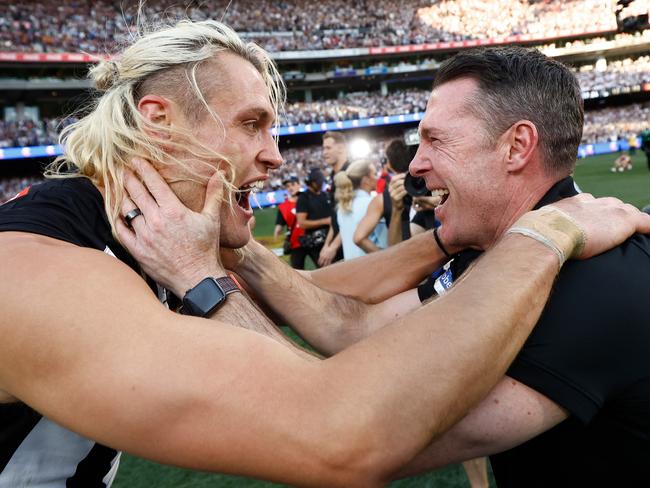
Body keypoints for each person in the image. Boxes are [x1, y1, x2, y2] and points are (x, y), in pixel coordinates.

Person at [0, 20, 648, 488]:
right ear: (158, 122)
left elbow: (340, 315)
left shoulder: (150, 237)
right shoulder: (32, 266)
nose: (276, 156)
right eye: (254, 123)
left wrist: (240, 257)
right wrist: (544, 234)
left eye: (434, 140)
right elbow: (331, 422)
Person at [385, 46, 650, 487]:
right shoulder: (493, 248)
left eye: (436, 140)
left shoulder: (596, 283)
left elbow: (370, 443)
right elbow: (362, 327)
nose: (414, 165)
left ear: (516, 146)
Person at [354, 138, 410, 253]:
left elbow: (359, 238)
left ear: (389, 164)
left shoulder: (381, 199)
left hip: (403, 259)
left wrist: (384, 256)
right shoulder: (432, 186)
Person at [333, 159, 383, 259]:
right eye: (374, 174)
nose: (377, 177)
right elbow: (385, 242)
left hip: (351, 268)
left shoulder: (342, 207)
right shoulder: (373, 203)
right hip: (373, 267)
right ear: (366, 180)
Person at [319, 131, 349, 266]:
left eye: (328, 148)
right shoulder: (332, 176)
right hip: (339, 244)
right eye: (323, 148)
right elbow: (335, 217)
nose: (324, 152)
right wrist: (327, 244)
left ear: (341, 148)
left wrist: (333, 246)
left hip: (350, 244)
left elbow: (352, 217)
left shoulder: (350, 172)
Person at [294, 167, 330, 269]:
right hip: (316, 242)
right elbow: (302, 223)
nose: (322, 184)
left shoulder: (324, 195)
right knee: (325, 271)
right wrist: (326, 221)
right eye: (320, 182)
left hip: (329, 239)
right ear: (313, 182)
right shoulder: (303, 198)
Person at [273, 175, 305, 267]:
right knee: (297, 272)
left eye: (293, 184)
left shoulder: (308, 199)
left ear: (299, 185)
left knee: (323, 266)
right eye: (288, 186)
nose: (290, 188)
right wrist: (276, 233)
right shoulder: (283, 206)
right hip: (295, 243)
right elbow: (279, 224)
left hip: (312, 240)